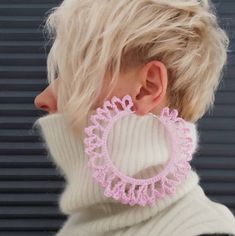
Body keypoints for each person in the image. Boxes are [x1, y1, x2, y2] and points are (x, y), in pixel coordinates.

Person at [33, 0, 235, 235]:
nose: (42, 98)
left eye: (76, 74)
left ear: (147, 88)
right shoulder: (78, 227)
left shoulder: (205, 231)